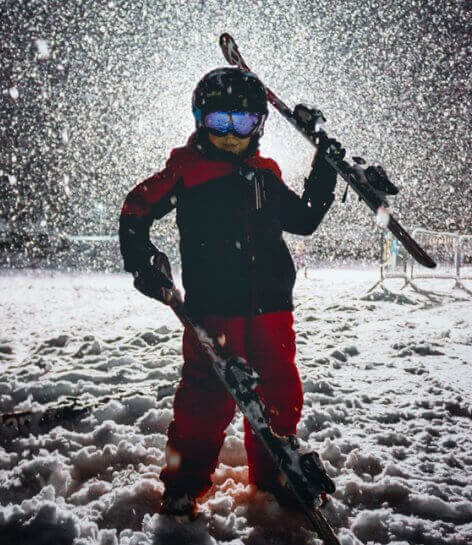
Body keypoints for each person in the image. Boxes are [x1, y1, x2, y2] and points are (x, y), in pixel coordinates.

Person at [119, 67, 341, 518]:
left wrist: (326, 168)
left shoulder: (265, 173)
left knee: (279, 394)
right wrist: (144, 262)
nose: (231, 136)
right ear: (202, 121)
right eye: (221, 123)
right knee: (204, 400)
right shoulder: (186, 170)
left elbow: (304, 220)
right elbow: (135, 210)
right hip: (212, 313)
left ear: (258, 125)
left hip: (271, 312)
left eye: (243, 124)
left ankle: (276, 475)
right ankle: (185, 481)